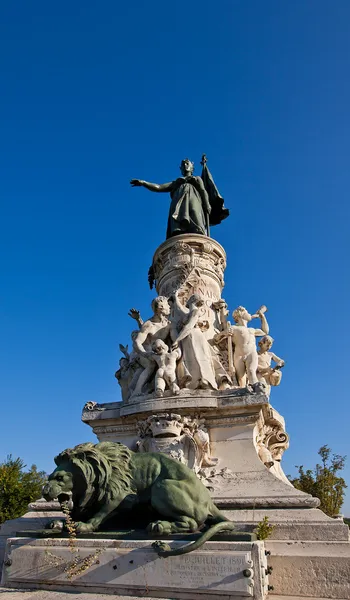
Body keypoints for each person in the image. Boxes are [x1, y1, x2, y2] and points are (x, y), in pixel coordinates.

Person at [130, 156, 229, 239]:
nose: (185, 166)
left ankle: (198, 234)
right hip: (178, 203)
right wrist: (143, 183)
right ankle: (179, 231)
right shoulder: (176, 183)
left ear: (192, 168)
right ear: (181, 169)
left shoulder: (197, 179)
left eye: (187, 164)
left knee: (195, 212)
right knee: (177, 221)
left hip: (194, 199)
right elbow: (159, 187)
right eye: (183, 165)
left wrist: (207, 204)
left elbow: (203, 191)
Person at [171, 291, 230, 390]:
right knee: (190, 359)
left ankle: (205, 380)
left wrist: (177, 339)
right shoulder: (189, 313)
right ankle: (192, 382)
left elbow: (189, 326)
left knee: (200, 358)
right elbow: (179, 309)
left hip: (194, 335)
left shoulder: (195, 312)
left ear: (192, 300)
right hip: (188, 337)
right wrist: (175, 297)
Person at [217, 306, 269, 392]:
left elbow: (265, 331)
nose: (249, 313)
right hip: (239, 355)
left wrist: (262, 317)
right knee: (240, 379)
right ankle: (244, 391)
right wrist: (224, 333)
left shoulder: (252, 330)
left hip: (251, 353)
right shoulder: (234, 328)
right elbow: (216, 339)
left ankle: (257, 388)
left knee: (252, 371)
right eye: (247, 311)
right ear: (241, 314)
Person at [131, 296, 171, 396]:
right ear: (161, 307)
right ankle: (137, 391)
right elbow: (137, 342)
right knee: (151, 364)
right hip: (145, 352)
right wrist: (145, 354)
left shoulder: (168, 324)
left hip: (159, 352)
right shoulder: (149, 324)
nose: (170, 307)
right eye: (168, 305)